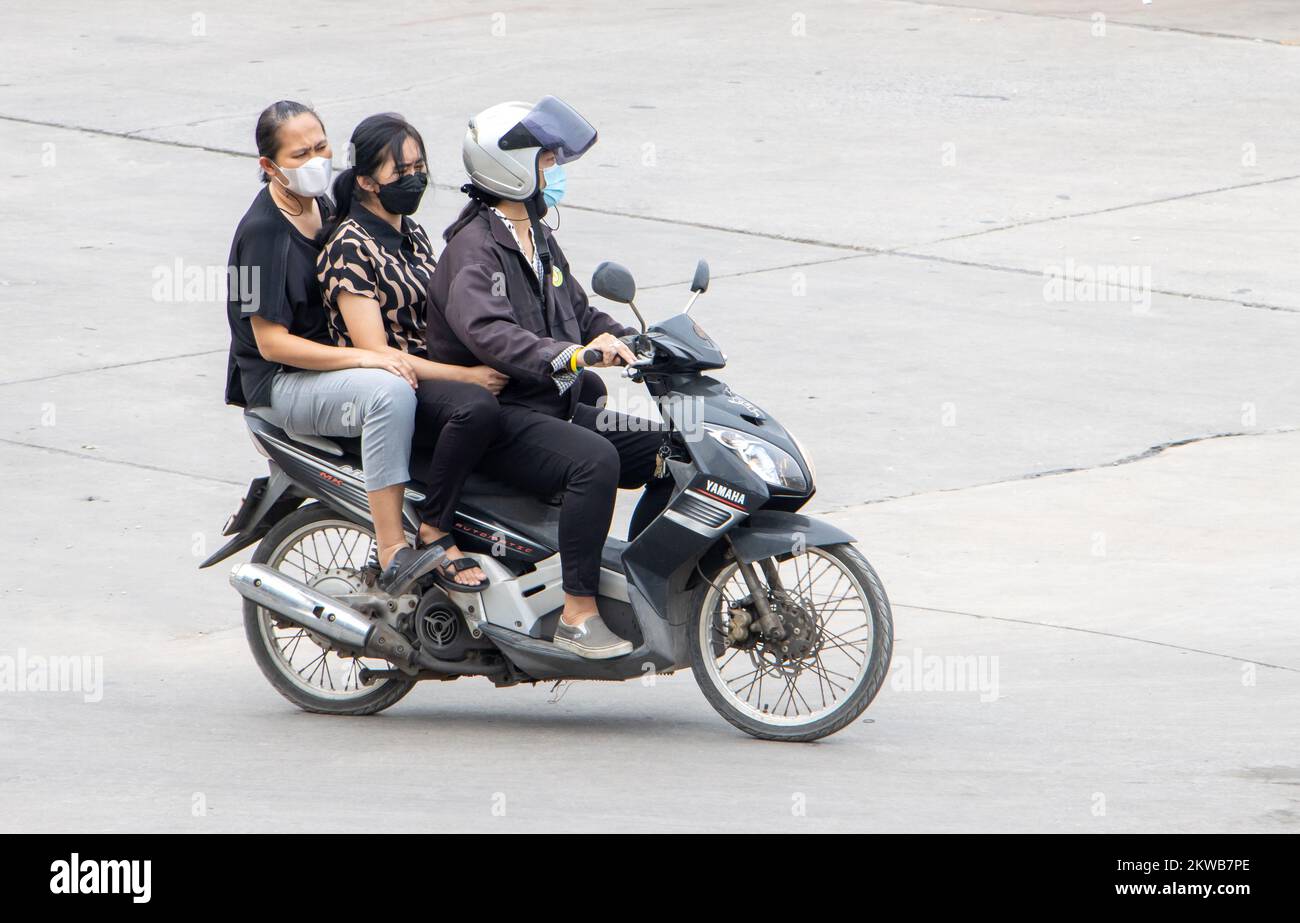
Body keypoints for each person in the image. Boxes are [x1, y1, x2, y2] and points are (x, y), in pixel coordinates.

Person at [429, 97, 675, 659]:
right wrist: (572, 357)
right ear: (509, 167)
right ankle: (578, 614)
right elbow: (491, 334)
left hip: (548, 407)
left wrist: (638, 338)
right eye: (545, 162)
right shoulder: (474, 250)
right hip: (503, 416)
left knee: (668, 445)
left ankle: (643, 583)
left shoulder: (534, 236)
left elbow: (579, 312)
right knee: (595, 460)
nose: (554, 173)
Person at [224, 100, 441, 594]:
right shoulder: (260, 236)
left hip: (331, 370)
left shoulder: (324, 207)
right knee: (389, 393)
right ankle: (392, 549)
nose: (315, 161)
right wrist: (369, 357)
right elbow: (271, 343)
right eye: (299, 154)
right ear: (269, 166)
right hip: (282, 385)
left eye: (321, 147)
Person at [318, 113, 506, 592]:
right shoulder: (349, 246)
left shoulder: (414, 235)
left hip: (436, 369)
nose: (415, 179)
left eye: (419, 167)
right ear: (364, 181)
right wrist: (465, 377)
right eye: (399, 173)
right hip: (397, 385)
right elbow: (379, 352)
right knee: (477, 407)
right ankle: (433, 528)